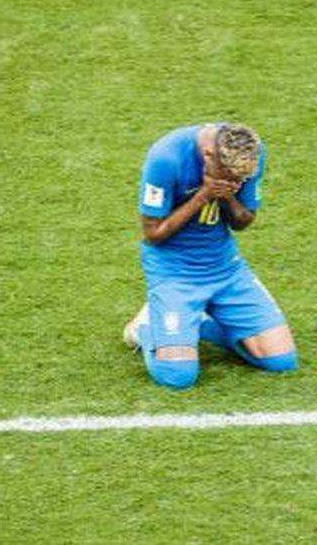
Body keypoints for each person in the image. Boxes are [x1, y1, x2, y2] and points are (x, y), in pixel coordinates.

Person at [123, 123, 298, 389]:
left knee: (281, 360)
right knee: (177, 376)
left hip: (225, 269)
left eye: (238, 180)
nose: (235, 183)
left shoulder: (250, 154)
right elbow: (153, 234)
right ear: (208, 156)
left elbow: (243, 221)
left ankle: (201, 321)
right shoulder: (166, 158)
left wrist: (228, 197)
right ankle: (146, 326)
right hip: (174, 273)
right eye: (228, 177)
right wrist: (203, 195)